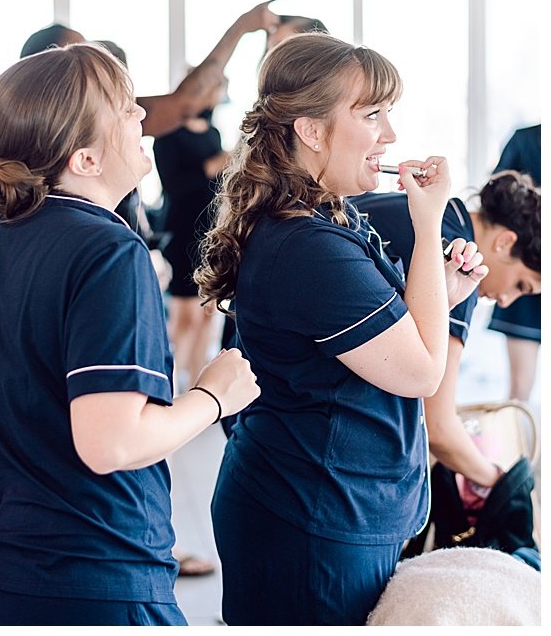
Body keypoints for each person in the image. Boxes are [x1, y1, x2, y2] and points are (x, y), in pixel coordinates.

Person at [0, 44, 259, 625]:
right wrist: (214, 396)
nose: (143, 116)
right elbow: (112, 443)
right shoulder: (108, 250)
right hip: (92, 579)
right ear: (85, 160)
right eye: (125, 108)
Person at [196, 33, 481, 625]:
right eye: (372, 114)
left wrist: (438, 295)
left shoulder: (323, 217)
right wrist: (428, 225)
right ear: (313, 131)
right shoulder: (309, 247)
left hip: (319, 503)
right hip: (312, 519)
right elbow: (424, 372)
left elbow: (389, 339)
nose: (391, 136)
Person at [352, 170, 540, 501]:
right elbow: (438, 427)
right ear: (505, 241)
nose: (507, 300)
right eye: (520, 286)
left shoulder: (429, 212)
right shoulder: (458, 258)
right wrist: (499, 483)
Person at [21, 0, 282, 138]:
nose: (92, 56)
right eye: (78, 52)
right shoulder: (81, 129)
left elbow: (186, 101)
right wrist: (240, 27)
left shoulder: (112, 113)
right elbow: (186, 103)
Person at [153, 72, 231, 391]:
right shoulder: (167, 135)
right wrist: (210, 167)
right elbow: (173, 186)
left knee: (208, 314)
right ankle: (167, 388)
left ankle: (198, 387)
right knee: (184, 315)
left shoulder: (212, 132)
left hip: (211, 230)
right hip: (183, 230)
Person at [487, 124, 541, 401]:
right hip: (524, 266)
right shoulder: (525, 140)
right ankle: (517, 443)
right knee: (521, 385)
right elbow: (496, 195)